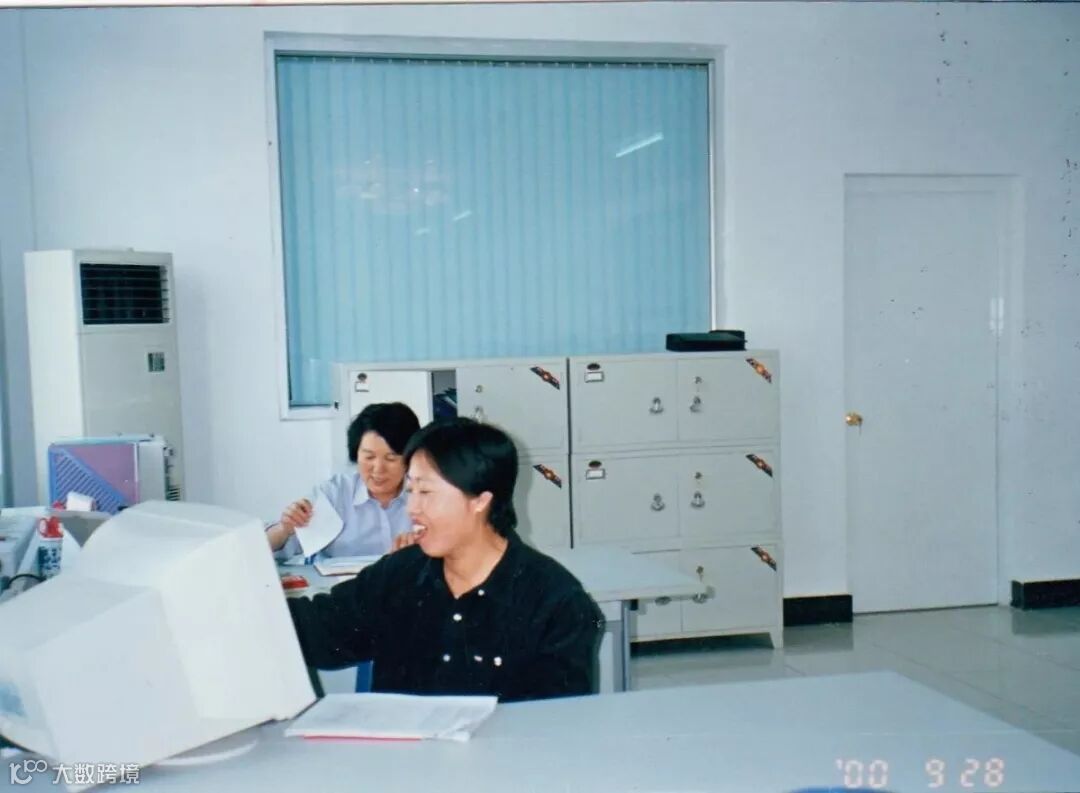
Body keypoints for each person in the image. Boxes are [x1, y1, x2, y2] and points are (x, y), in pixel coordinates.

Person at [286, 417, 605, 702]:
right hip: (406, 749)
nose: (412, 509)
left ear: (480, 500)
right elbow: (318, 631)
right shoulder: (399, 575)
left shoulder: (554, 602)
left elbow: (557, 724)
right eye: (410, 491)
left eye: (425, 493)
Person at [266, 402, 421, 561]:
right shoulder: (334, 495)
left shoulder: (424, 496)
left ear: (410, 458)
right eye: (369, 457)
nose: (378, 469)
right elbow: (262, 548)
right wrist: (284, 529)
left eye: (391, 458)